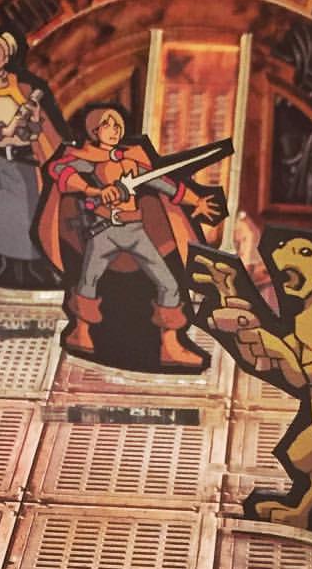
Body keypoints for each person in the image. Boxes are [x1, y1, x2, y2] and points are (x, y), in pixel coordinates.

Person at [39, 104, 223, 370]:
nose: (114, 130)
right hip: (104, 231)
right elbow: (59, 171)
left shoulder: (131, 162)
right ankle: (80, 332)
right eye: (107, 125)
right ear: (94, 131)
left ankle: (170, 345)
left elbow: (164, 184)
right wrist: (94, 191)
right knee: (88, 281)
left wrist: (196, 201)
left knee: (168, 284)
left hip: (135, 230)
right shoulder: (87, 159)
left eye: (117, 125)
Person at [0, 29, 65, 288]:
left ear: (6, 57)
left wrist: (34, 120)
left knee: (29, 215)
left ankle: (35, 270)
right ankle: (4, 268)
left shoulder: (24, 89)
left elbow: (39, 132)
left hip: (24, 164)